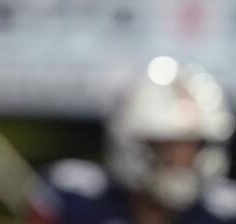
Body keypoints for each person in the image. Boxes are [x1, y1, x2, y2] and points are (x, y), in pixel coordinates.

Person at [27, 57, 236, 224]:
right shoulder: (77, 199)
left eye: (191, 147)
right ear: (132, 144)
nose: (180, 159)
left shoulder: (222, 212)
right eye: (166, 147)